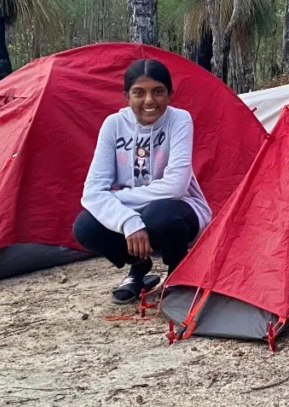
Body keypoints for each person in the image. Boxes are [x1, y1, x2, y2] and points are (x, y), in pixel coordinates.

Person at [73, 59, 212, 304]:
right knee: (85, 225)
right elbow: (92, 191)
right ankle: (139, 267)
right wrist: (129, 221)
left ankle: (179, 271)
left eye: (158, 92)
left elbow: (176, 186)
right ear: (127, 96)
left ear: (170, 94)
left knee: (159, 213)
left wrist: (117, 200)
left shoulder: (179, 120)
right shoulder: (113, 125)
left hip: (178, 207)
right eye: (139, 93)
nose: (149, 101)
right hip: (133, 215)